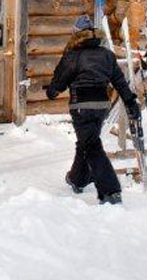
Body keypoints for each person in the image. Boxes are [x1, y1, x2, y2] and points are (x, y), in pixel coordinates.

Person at [46, 14, 141, 205]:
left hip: (82, 106)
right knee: (87, 143)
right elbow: (120, 83)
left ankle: (110, 191)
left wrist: (52, 92)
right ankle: (77, 178)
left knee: (91, 146)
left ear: (76, 34)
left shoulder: (73, 55)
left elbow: (59, 81)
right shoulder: (107, 55)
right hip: (101, 106)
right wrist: (131, 102)